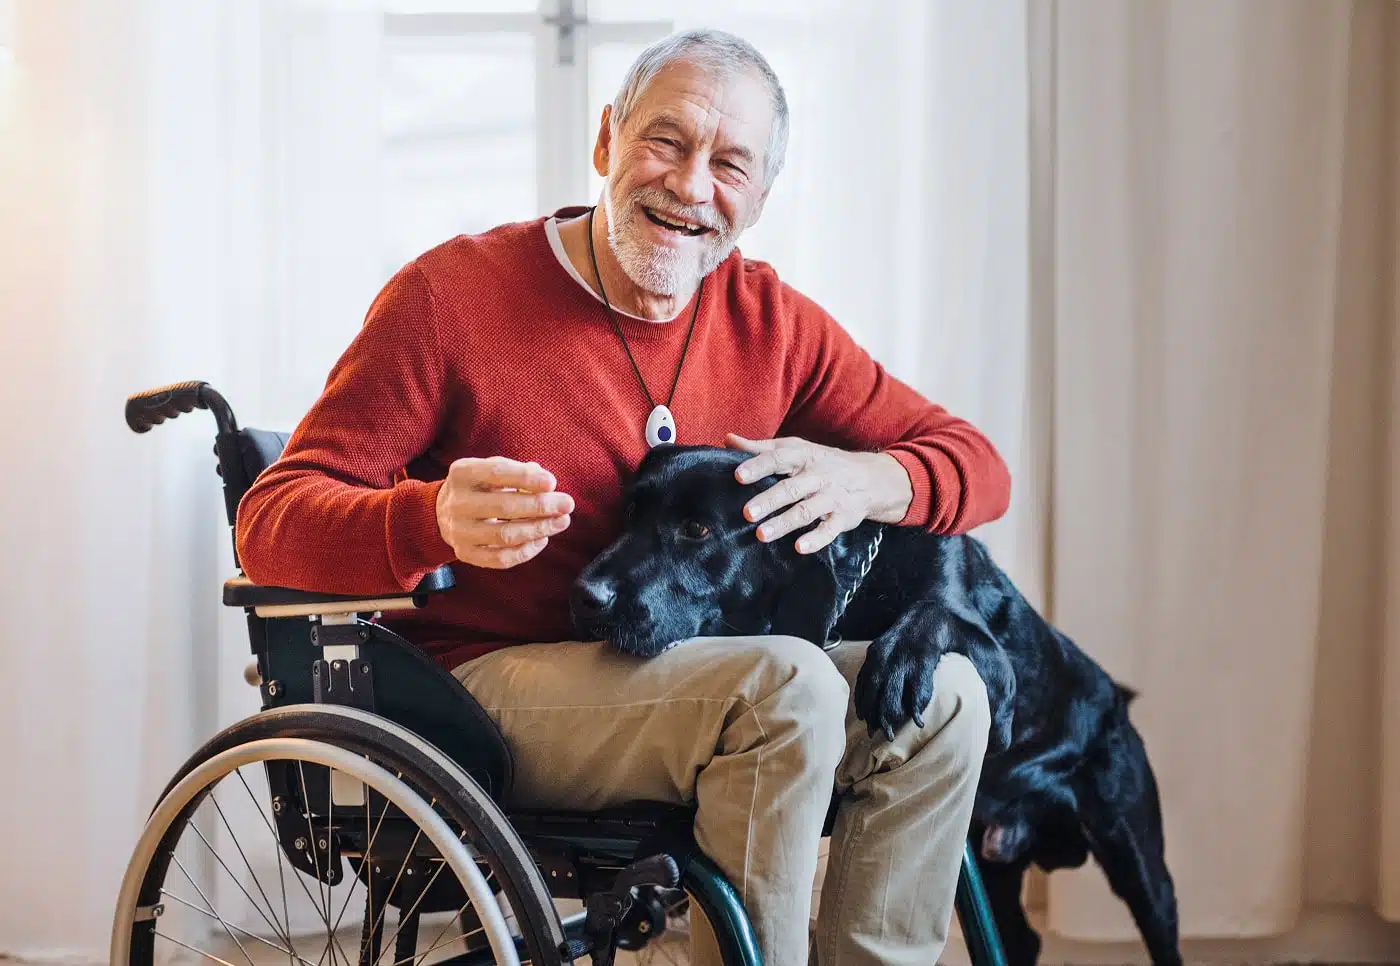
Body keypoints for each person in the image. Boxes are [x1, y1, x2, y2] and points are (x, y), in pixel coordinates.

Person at [236, 27, 1010, 966]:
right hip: (484, 689)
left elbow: (977, 466)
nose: (690, 186)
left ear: (759, 197)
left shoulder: (771, 321)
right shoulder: (451, 297)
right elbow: (270, 522)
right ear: (605, 141)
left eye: (729, 163)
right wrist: (426, 517)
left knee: (950, 696)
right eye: (666, 141)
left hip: (690, 678)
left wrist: (868, 476)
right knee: (790, 682)